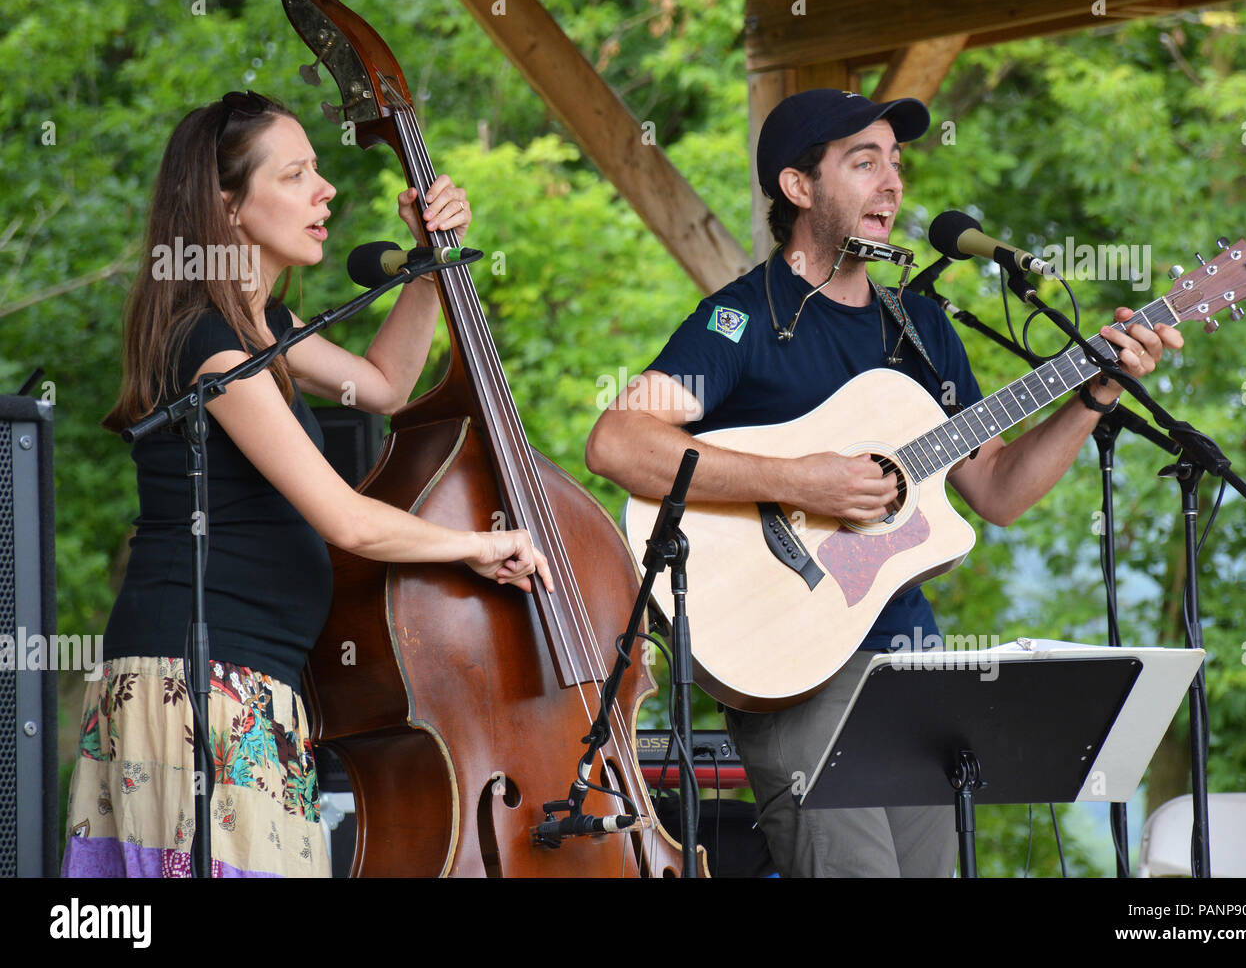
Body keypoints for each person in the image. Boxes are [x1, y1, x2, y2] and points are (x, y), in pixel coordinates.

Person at [585, 88, 1183, 877]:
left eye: (896, 163)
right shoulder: (740, 321)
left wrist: (1093, 393)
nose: (892, 183)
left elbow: (999, 489)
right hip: (794, 665)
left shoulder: (924, 328)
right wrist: (803, 481)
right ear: (799, 188)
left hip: (913, 674)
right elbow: (617, 440)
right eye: (864, 162)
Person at [63, 90, 552, 878]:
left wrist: (428, 267)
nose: (325, 191)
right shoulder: (210, 343)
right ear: (228, 210)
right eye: (295, 175)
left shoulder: (267, 330)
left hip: (242, 679)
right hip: (199, 679)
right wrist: (477, 543)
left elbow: (384, 385)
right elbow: (345, 518)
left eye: (318, 172)